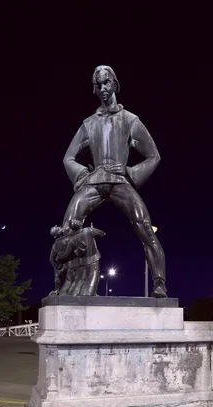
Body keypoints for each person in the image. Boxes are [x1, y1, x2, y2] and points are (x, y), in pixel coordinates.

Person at [62, 65, 167, 298]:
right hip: (95, 180)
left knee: (145, 228)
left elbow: (154, 155)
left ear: (115, 84)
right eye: (98, 85)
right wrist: (82, 176)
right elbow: (68, 157)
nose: (103, 88)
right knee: (68, 226)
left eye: (106, 83)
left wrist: (130, 172)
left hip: (120, 180)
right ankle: (63, 284)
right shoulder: (89, 124)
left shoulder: (130, 120)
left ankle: (159, 283)